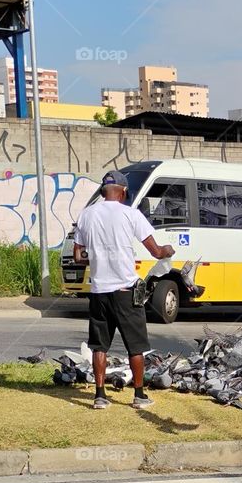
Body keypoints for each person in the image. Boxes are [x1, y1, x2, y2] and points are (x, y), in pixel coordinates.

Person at [73, 174, 174, 410]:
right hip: (125, 291)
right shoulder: (131, 214)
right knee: (136, 346)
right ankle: (139, 396)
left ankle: (99, 397)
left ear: (102, 191)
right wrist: (168, 249)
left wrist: (98, 257)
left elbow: (79, 256)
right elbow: (156, 252)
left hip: (99, 292)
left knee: (99, 346)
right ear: (124, 192)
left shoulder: (86, 214)